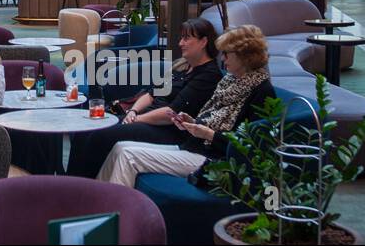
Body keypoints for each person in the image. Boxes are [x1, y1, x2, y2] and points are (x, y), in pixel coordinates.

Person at [96, 25, 275, 188]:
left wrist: (206, 133)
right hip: (195, 145)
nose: (223, 58)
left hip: (214, 158)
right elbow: (209, 118)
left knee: (128, 156)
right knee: (120, 147)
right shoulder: (230, 81)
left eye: (228, 53)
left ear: (245, 55)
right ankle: (100, 205)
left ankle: (117, 216)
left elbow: (250, 145)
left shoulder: (260, 90)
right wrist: (193, 123)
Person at [67, 18, 222, 178]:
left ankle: (84, 188)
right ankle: (70, 184)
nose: (181, 43)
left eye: (187, 38)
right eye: (181, 37)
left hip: (168, 130)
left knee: (101, 135)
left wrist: (138, 118)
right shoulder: (182, 66)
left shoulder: (209, 75)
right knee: (85, 129)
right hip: (145, 118)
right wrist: (133, 111)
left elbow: (171, 113)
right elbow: (150, 93)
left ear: (203, 42)